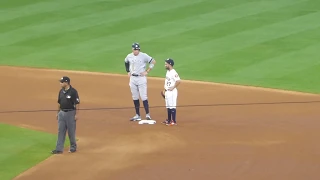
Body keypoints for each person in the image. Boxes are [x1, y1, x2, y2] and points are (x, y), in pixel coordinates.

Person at [124, 42, 156, 121]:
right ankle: (137, 115)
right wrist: (128, 71)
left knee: (143, 96)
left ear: (139, 49)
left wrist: (147, 71)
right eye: (135, 49)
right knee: (135, 97)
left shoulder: (144, 55)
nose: (136, 51)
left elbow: (153, 61)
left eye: (137, 49)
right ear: (132, 49)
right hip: (132, 78)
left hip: (141, 78)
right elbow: (126, 62)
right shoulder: (129, 56)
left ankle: (147, 114)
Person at [51, 76, 80, 154]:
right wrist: (57, 113)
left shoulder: (73, 92)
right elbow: (59, 103)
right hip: (62, 113)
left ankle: (73, 147)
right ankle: (59, 149)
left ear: (66, 83)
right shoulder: (61, 91)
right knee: (61, 131)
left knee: (71, 131)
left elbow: (77, 104)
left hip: (70, 113)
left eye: (61, 82)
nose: (60, 83)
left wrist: (76, 114)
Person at [161, 58, 181, 126]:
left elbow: (178, 81)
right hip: (167, 91)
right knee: (168, 106)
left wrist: (173, 87)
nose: (165, 65)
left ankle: (174, 121)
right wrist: (165, 89)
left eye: (166, 64)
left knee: (172, 106)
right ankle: (169, 120)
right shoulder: (168, 71)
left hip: (172, 92)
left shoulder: (173, 72)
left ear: (170, 64)